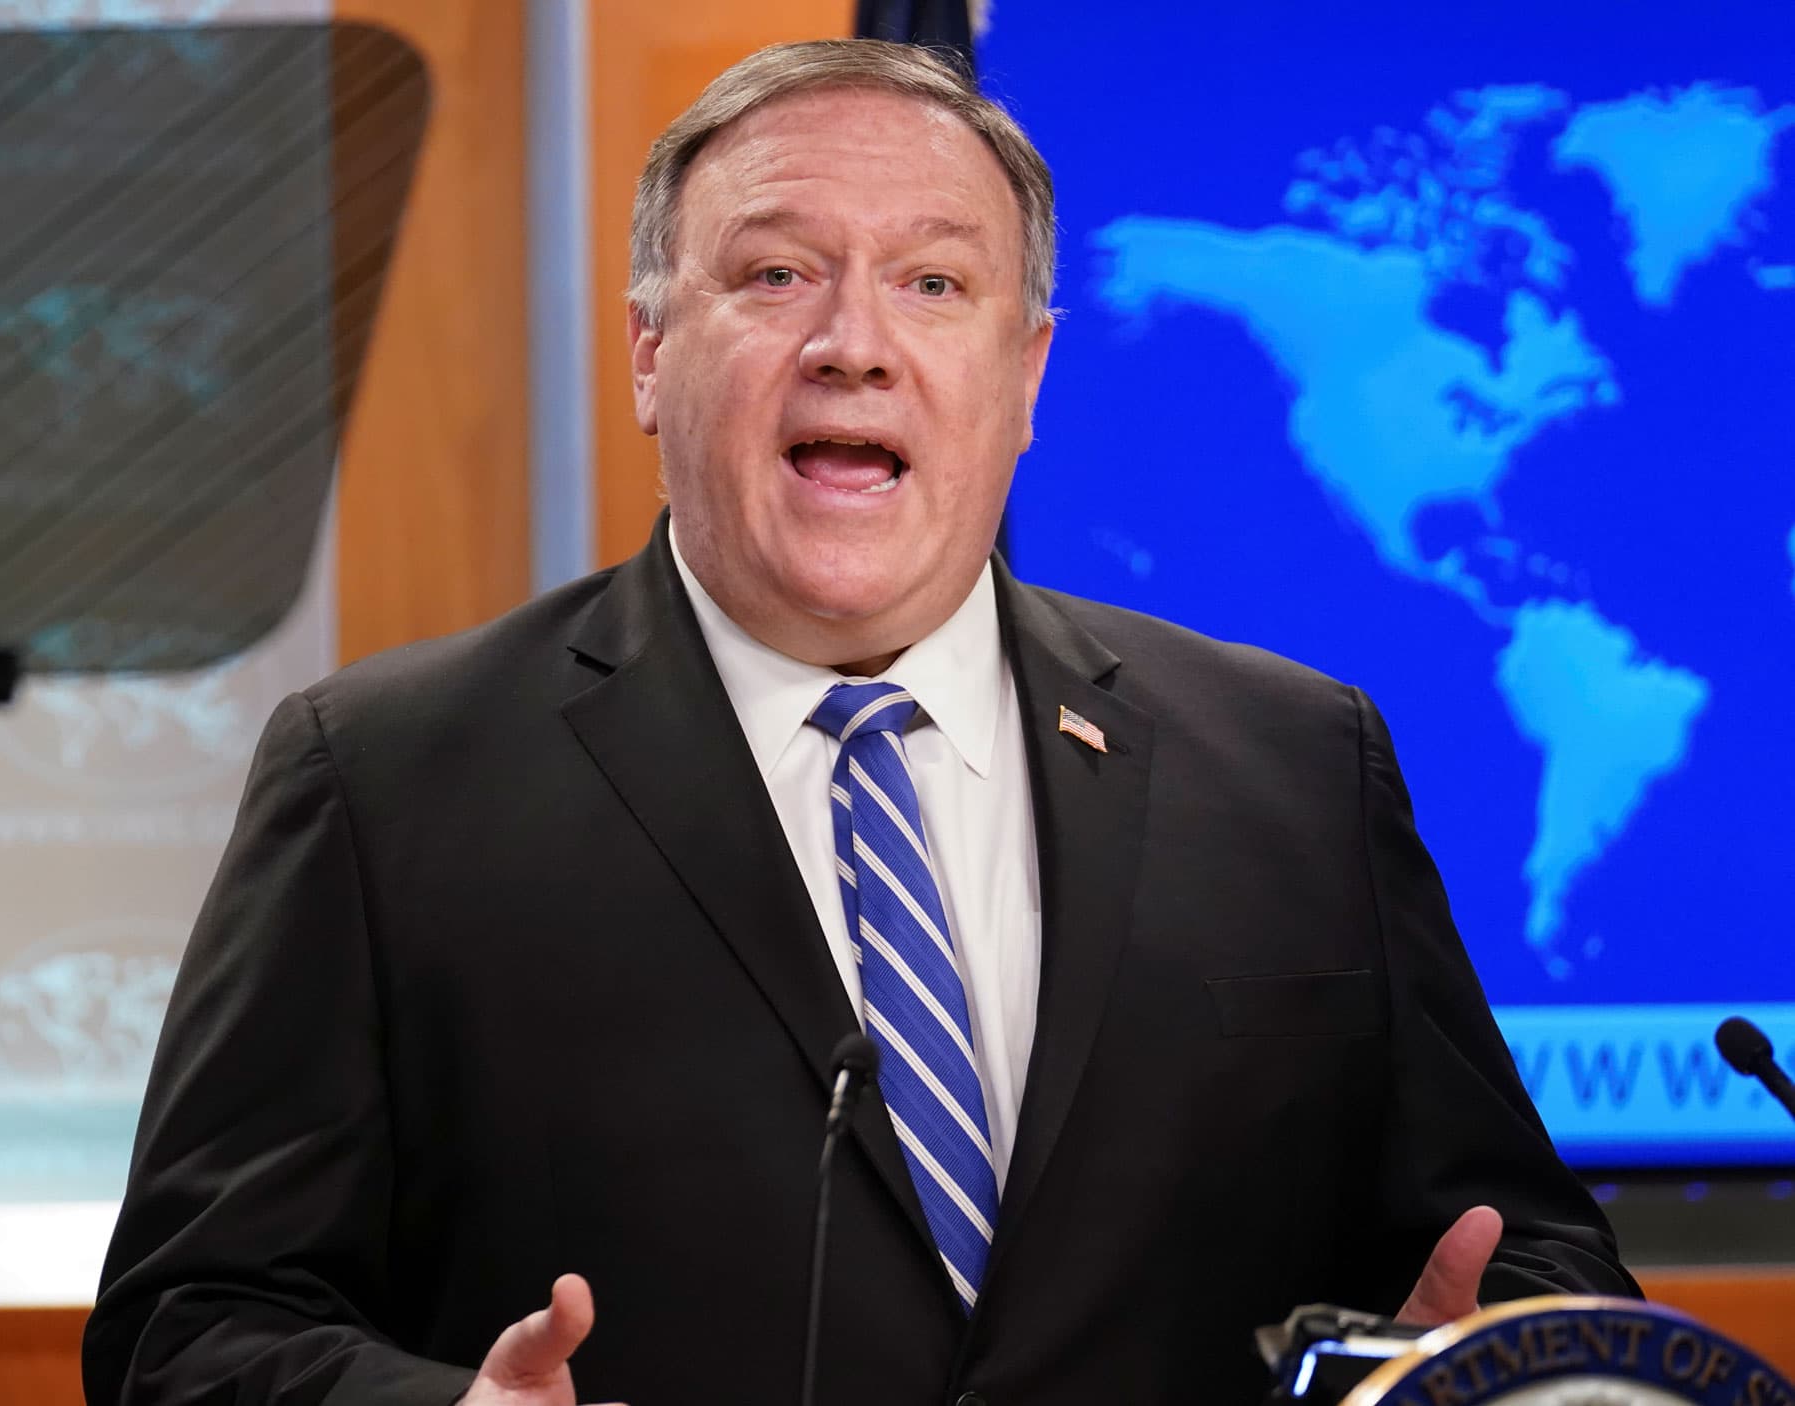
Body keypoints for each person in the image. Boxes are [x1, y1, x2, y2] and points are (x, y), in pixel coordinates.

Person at [81, 38, 1634, 1406]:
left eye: (935, 283)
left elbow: (1524, 1253)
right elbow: (188, 1327)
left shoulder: (1293, 765)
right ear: (647, 351)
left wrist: (1481, 1370)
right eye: (773, 273)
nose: (853, 341)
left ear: (1025, 373)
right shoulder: (385, 780)